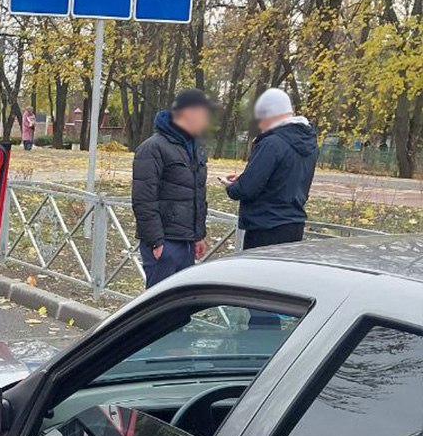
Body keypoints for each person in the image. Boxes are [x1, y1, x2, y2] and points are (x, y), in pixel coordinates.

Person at [131, 88, 211, 288]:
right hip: (165, 242)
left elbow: (198, 194)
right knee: (157, 308)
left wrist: (198, 235)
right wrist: (156, 242)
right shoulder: (153, 147)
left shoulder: (195, 147)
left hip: (187, 241)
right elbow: (143, 198)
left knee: (180, 306)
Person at [222, 88, 318, 249]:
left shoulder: (271, 143)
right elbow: (285, 180)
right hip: (294, 225)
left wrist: (231, 186)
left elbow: (247, 189)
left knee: (259, 274)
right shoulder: (310, 144)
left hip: (266, 228)